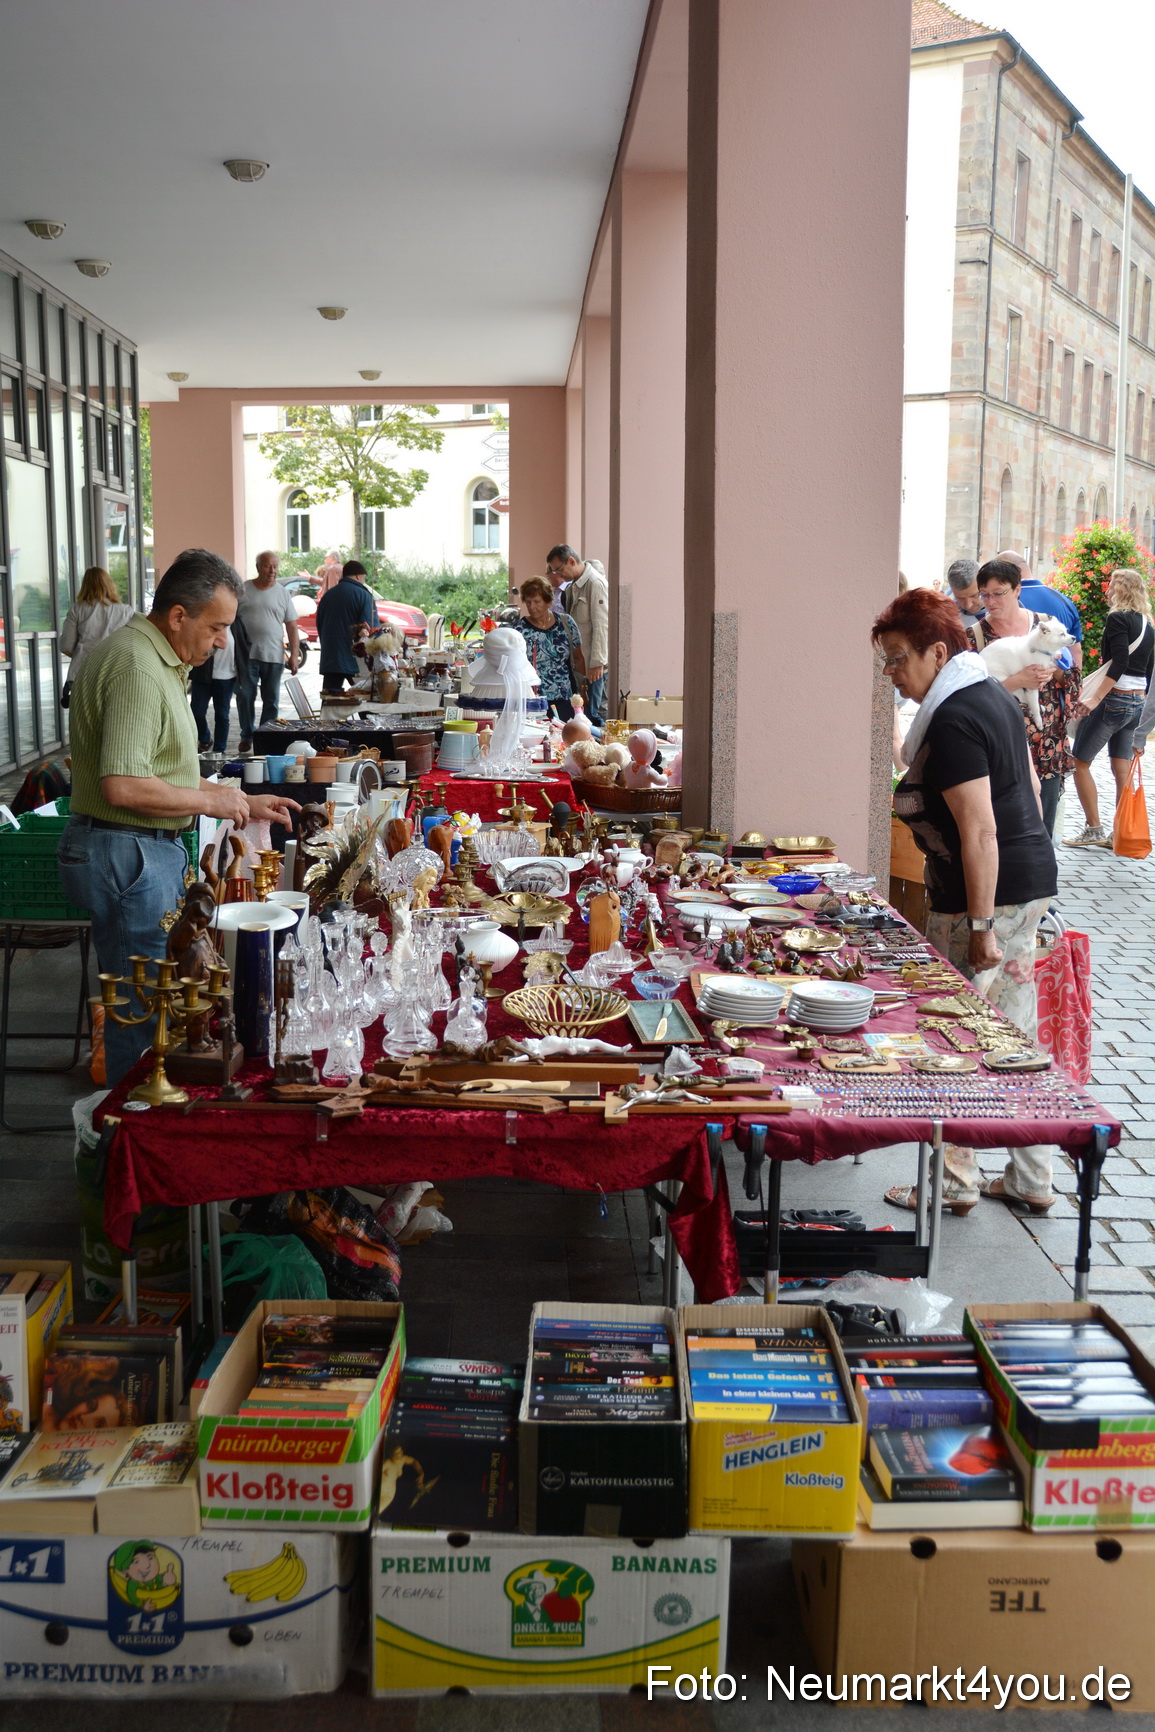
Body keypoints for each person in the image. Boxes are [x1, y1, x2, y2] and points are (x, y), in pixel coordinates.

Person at [58, 548, 300, 1087]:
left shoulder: (157, 657)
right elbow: (123, 785)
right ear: (177, 616)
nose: (222, 641)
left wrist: (239, 800)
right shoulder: (137, 665)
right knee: (144, 1012)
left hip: (138, 851)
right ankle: (131, 1134)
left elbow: (160, 768)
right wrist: (212, 802)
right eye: (217, 627)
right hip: (127, 853)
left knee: (155, 1002)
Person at [874, 587, 1058, 1215]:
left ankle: (953, 1182)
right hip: (1022, 885)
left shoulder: (953, 718)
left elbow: (981, 829)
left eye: (899, 658)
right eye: (886, 661)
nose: (892, 673)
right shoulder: (985, 693)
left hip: (988, 897)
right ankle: (1032, 1178)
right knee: (1015, 1036)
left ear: (937, 650)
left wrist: (981, 925)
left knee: (953, 1037)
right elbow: (1027, 790)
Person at [970, 557, 1081, 837]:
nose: (990, 601)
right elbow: (968, 696)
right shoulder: (974, 637)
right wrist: (1015, 681)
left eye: (999, 593)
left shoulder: (1047, 625)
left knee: (1043, 831)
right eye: (984, 594)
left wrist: (1053, 670)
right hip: (1001, 746)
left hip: (1047, 745)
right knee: (1003, 832)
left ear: (1017, 590)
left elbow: (1074, 681)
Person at [1065, 567, 1154, 847]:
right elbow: (1149, 668)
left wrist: (1094, 699)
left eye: (1112, 585)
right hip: (1137, 700)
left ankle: (1093, 830)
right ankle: (1119, 834)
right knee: (1120, 767)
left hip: (1114, 698)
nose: (1107, 590)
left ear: (1122, 589)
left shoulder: (1117, 618)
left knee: (1079, 762)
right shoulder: (1147, 622)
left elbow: (1119, 662)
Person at [235, 551, 299, 747]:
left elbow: (292, 626)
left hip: (273, 655)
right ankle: (247, 735)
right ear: (258, 567)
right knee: (245, 696)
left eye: (275, 566)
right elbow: (229, 620)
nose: (272, 570)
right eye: (267, 566)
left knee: (271, 700)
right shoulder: (243, 590)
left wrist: (294, 655)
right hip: (247, 655)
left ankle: (265, 736)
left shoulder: (282, 593)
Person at [545, 544, 608, 724]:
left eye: (559, 570)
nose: (558, 575)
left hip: (593, 667)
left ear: (571, 561)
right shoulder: (573, 587)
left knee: (594, 716)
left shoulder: (595, 583)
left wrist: (597, 663)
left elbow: (602, 625)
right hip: (579, 664)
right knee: (582, 714)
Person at [995, 549, 1083, 672]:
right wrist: (1075, 688)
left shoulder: (1006, 603)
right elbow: (1076, 652)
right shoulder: (1065, 601)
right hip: (1060, 685)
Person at [59, 567, 135, 703]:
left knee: (84, 721)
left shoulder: (77, 609)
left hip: (83, 674)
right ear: (110, 585)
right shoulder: (125, 612)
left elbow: (66, 645)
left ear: (85, 585)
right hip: (115, 672)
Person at [513, 576, 583, 720]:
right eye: (528, 602)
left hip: (564, 697)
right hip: (532, 699)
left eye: (537, 602)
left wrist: (583, 690)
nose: (532, 606)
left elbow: (578, 658)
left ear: (549, 602)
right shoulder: (519, 630)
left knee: (563, 739)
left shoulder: (566, 623)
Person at [189, 612, 251, 754]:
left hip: (227, 677)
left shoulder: (236, 622)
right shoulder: (207, 621)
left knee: (222, 715)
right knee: (196, 711)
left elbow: (245, 643)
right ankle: (205, 738)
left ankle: (219, 750)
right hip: (203, 676)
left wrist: (241, 664)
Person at [316, 559, 378, 694]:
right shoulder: (364, 595)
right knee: (365, 698)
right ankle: (366, 716)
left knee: (330, 702)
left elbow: (319, 626)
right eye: (363, 578)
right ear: (358, 576)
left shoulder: (327, 596)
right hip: (356, 660)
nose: (363, 581)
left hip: (331, 658)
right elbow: (370, 629)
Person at [944, 558, 983, 628]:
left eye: (974, 595)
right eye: (960, 598)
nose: (968, 605)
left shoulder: (1005, 613)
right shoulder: (947, 619)